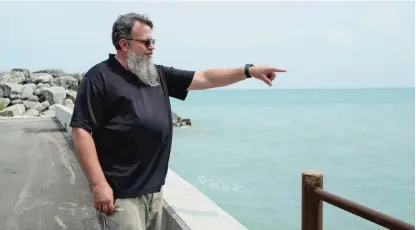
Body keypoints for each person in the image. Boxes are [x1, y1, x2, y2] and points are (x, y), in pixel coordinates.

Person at [70, 12, 286, 230]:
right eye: (145, 42)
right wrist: (99, 184)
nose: (152, 47)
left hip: (154, 191)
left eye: (152, 41)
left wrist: (248, 71)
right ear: (124, 44)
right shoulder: (98, 78)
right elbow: (81, 130)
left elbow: (205, 78)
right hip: (121, 193)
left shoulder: (156, 74)